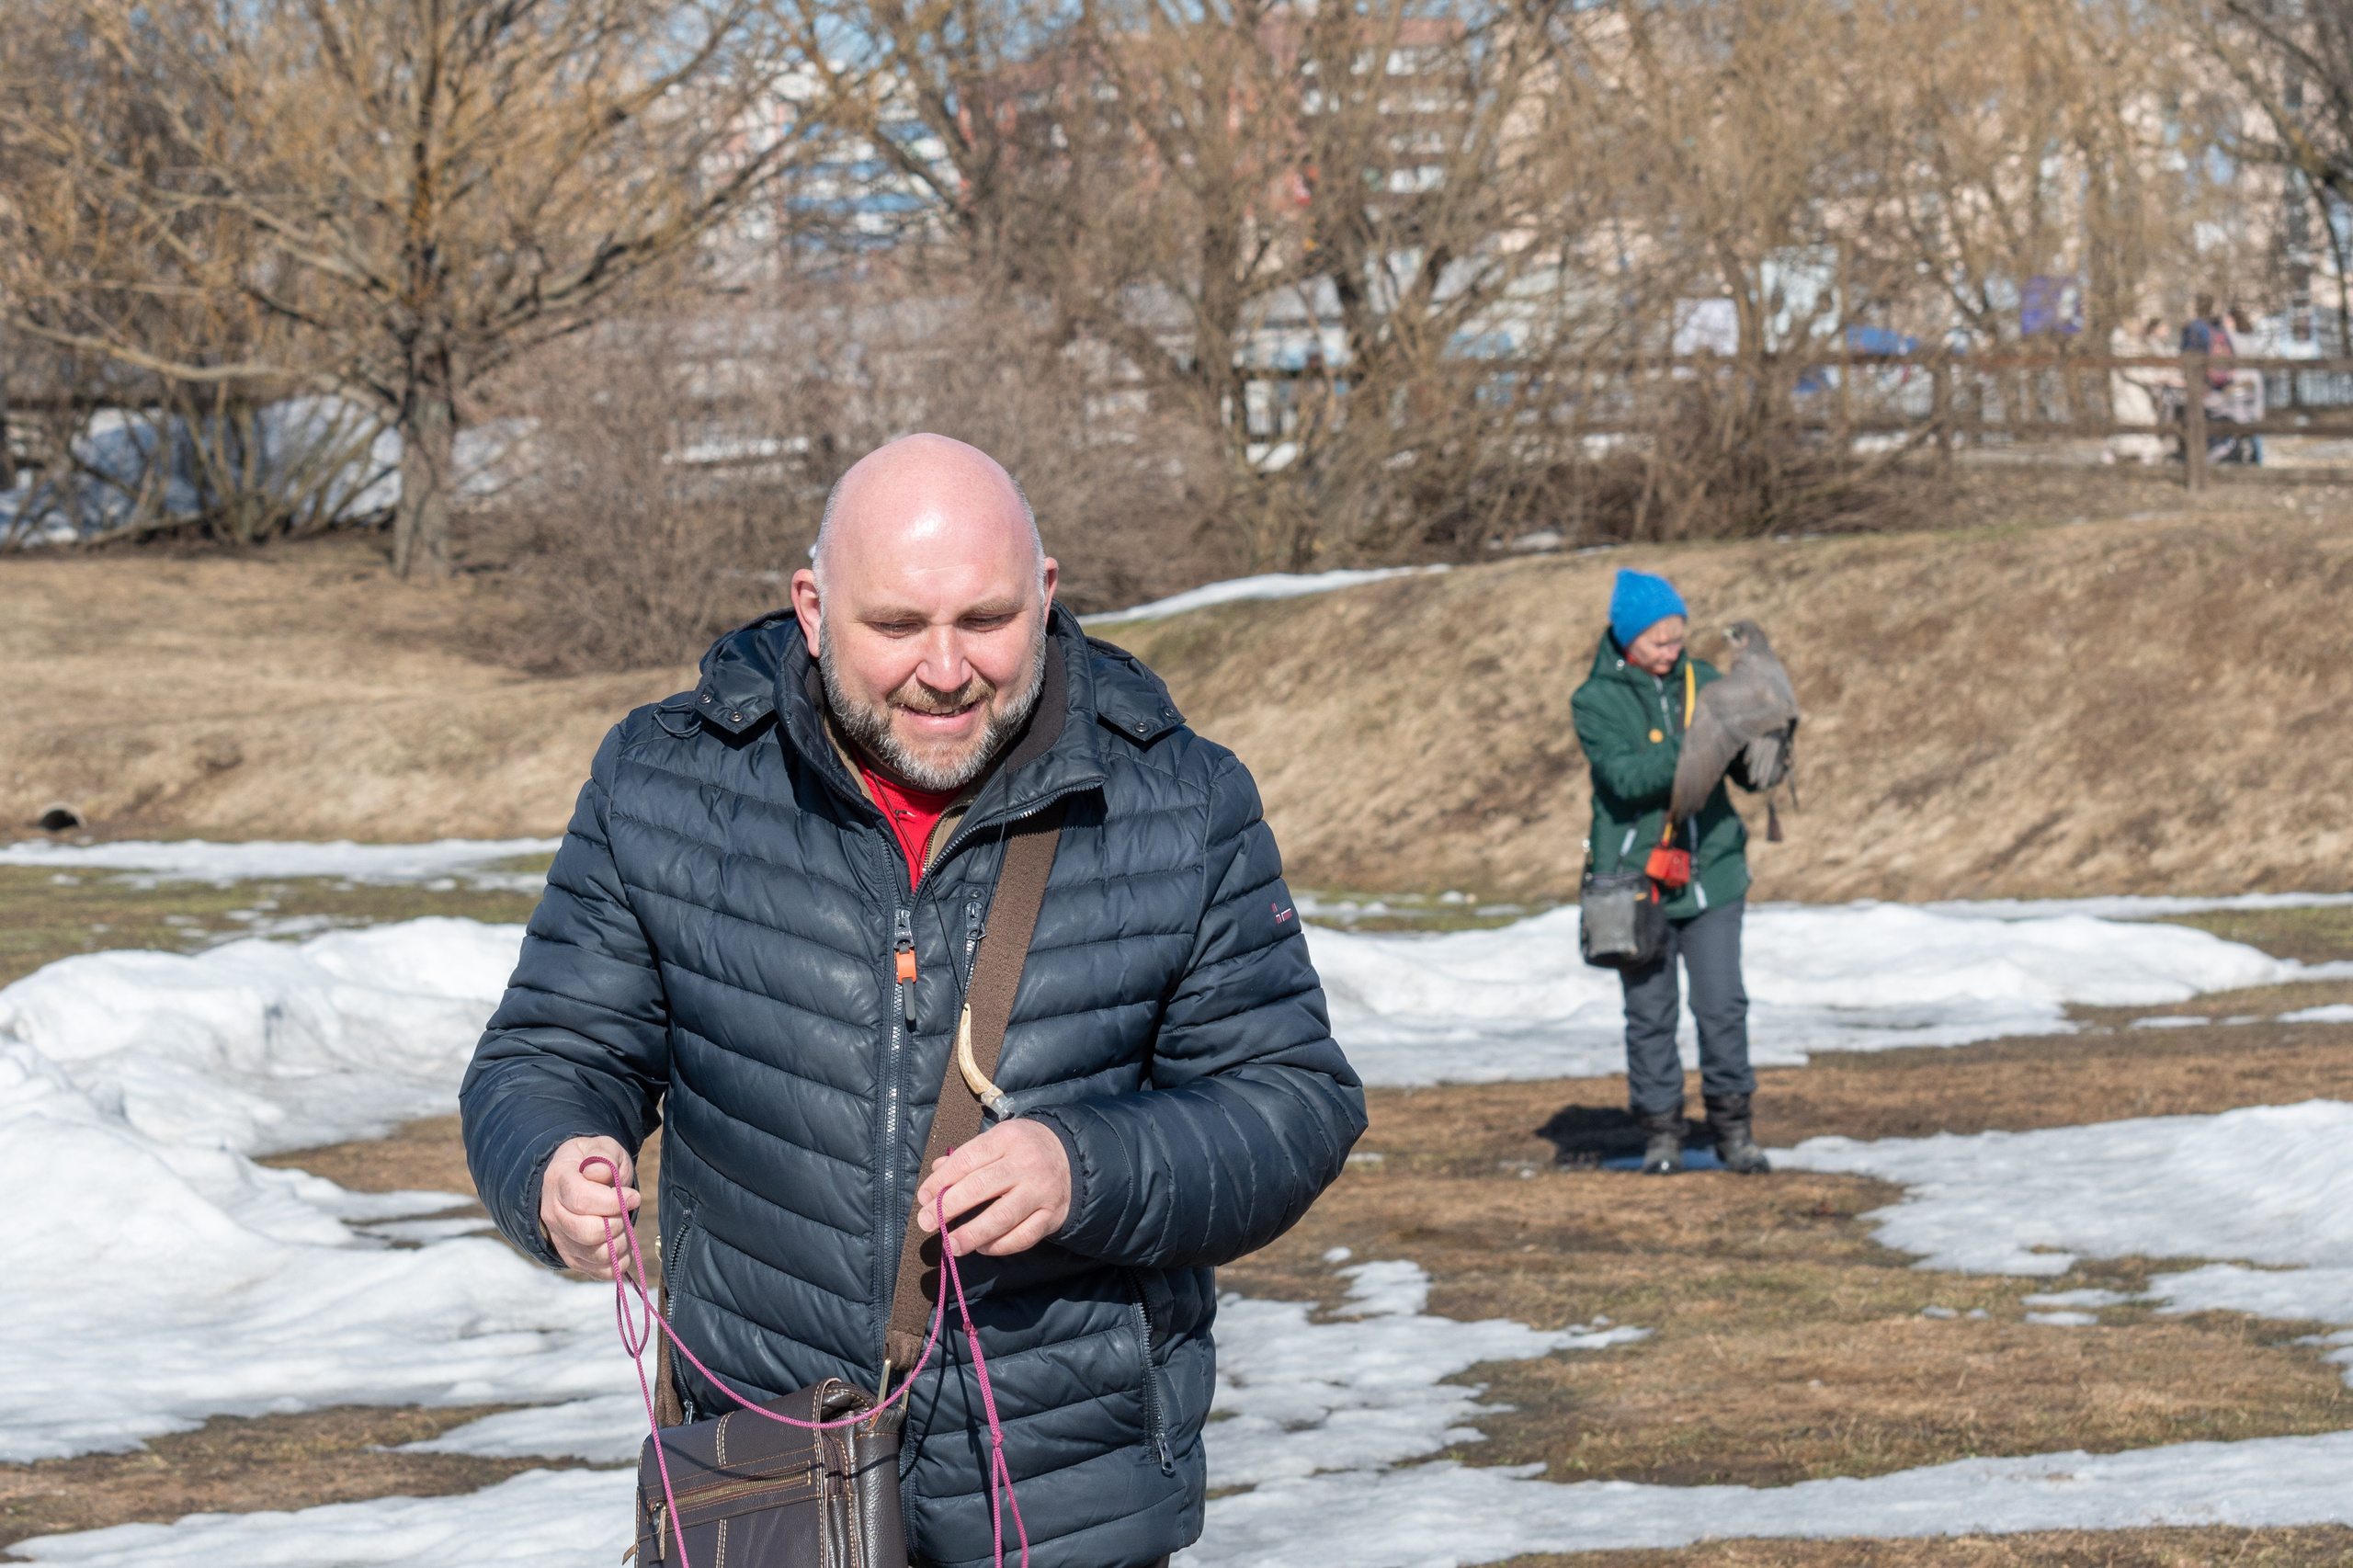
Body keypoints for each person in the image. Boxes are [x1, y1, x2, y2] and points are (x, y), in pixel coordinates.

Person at [460, 433, 1366, 1568]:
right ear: (811, 606)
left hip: (1061, 1502)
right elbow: (545, 1052)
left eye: (985, 620)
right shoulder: (662, 779)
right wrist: (550, 1163)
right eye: (894, 627)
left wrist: (1086, 1168)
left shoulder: (1183, 801)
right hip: (767, 1482)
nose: (945, 669)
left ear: (1044, 595)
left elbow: (1291, 1103)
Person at [1570, 568, 1768, 1177]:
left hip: (1714, 872)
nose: (1671, 650)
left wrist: (1765, 751)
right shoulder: (1594, 701)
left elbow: (1741, 773)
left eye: (1678, 637)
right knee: (1651, 1013)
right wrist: (1697, 739)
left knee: (1722, 1006)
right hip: (1638, 884)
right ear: (1626, 638)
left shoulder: (1704, 682)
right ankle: (1661, 1134)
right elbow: (1626, 781)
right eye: (1658, 639)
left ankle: (1735, 1129)